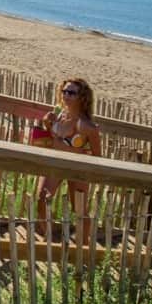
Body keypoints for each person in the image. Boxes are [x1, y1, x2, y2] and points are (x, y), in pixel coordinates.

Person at [35, 77, 102, 240]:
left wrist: (78, 154)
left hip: (77, 168)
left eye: (71, 93)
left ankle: (83, 245)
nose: (66, 95)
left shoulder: (87, 126)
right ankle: (49, 239)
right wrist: (47, 123)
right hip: (55, 163)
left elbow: (98, 156)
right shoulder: (59, 113)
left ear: (82, 97)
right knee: (41, 199)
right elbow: (51, 137)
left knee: (79, 210)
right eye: (64, 91)